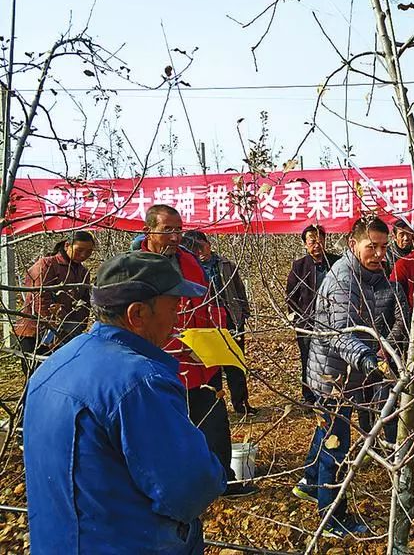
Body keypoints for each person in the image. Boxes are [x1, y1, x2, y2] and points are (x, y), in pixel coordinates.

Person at [23, 251, 227, 554]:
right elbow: (190, 487)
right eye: (173, 308)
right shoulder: (139, 382)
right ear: (138, 315)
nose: (177, 320)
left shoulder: (55, 364)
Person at [293, 217, 408, 537]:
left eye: (384, 247)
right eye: (371, 246)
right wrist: (369, 360)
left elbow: (385, 314)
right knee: (337, 445)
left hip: (347, 373)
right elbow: (340, 334)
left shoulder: (374, 274)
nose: (379, 253)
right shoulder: (343, 279)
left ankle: (310, 482)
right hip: (333, 377)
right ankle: (332, 519)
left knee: (326, 432)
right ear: (352, 244)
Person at [138, 204, 256, 498]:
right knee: (166, 425)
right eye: (167, 230)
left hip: (202, 360)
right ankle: (171, 483)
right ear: (148, 230)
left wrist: (219, 335)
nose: (175, 236)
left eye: (178, 229)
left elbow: (207, 303)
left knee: (214, 422)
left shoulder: (189, 261)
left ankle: (223, 479)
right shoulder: (135, 266)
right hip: (159, 361)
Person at [184, 230, 257, 416]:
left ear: (208, 244)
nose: (200, 251)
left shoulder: (225, 265)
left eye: (202, 246)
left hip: (231, 320)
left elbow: (239, 290)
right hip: (206, 325)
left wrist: (243, 315)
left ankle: (241, 404)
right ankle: (216, 406)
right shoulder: (188, 268)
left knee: (236, 365)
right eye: (195, 248)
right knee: (211, 367)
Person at [14, 231, 95, 374]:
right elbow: (40, 299)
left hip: (65, 333)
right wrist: (54, 329)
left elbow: (84, 303)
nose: (83, 255)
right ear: (67, 245)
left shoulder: (83, 272)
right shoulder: (47, 264)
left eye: (88, 252)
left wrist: (75, 328)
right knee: (35, 375)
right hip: (36, 331)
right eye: (79, 250)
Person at [286, 224, 340, 405]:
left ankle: (334, 393)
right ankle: (309, 396)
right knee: (308, 360)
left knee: (333, 359)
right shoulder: (299, 266)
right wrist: (298, 319)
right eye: (312, 242)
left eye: (320, 240)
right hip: (307, 324)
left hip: (334, 322)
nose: (317, 245)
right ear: (305, 244)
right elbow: (291, 296)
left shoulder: (337, 263)